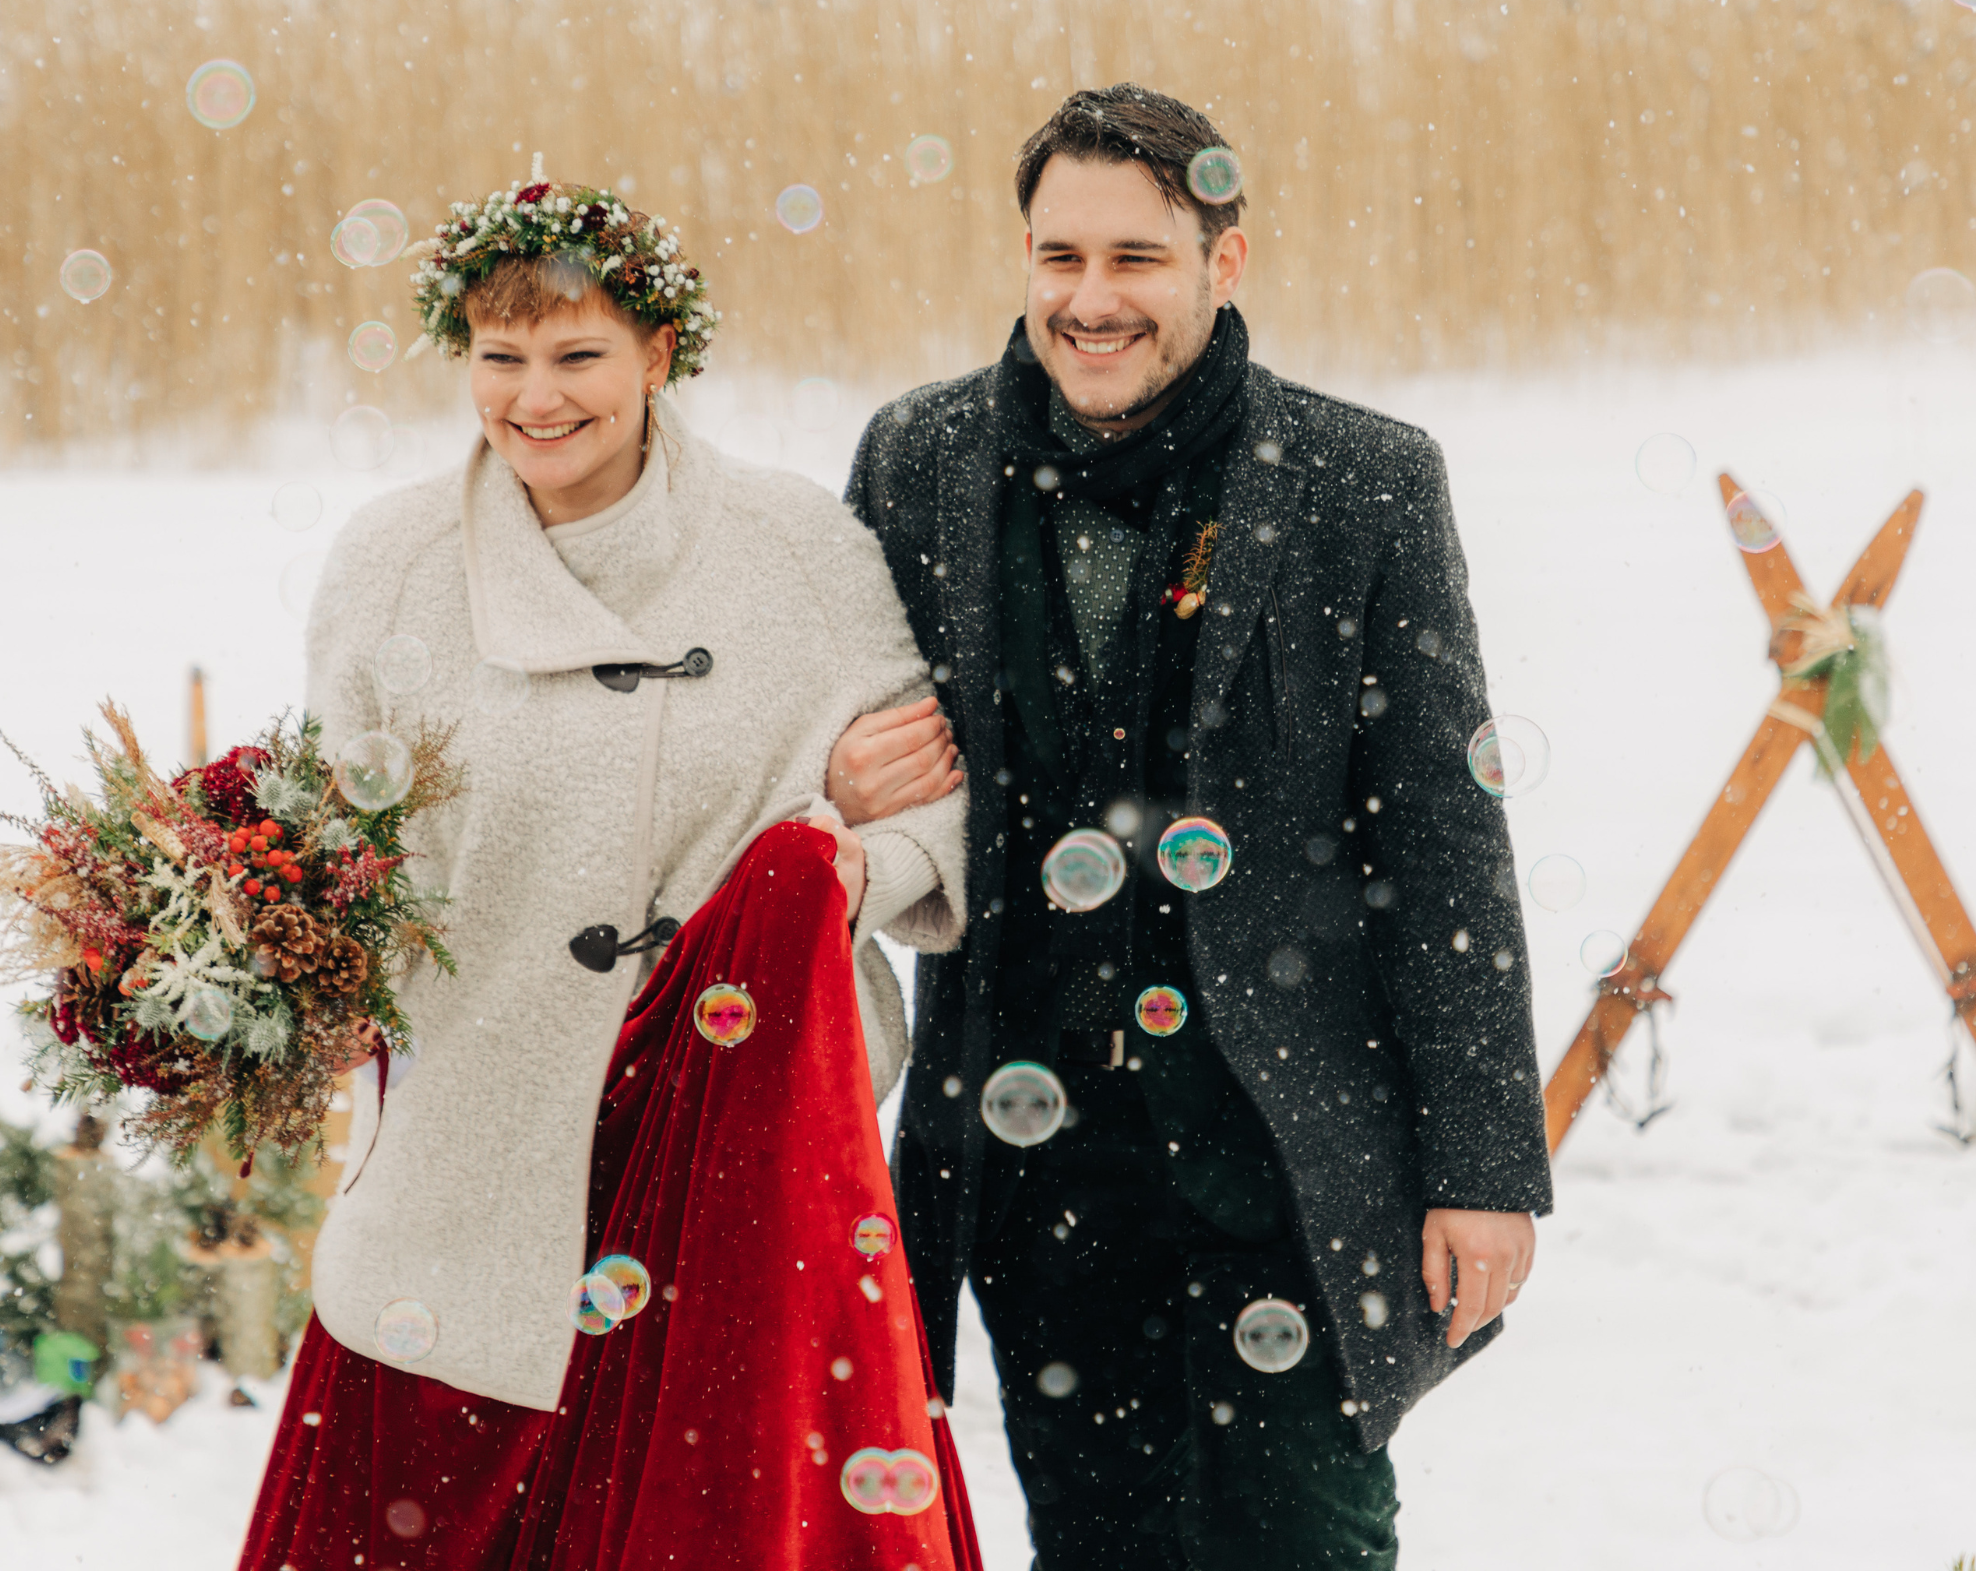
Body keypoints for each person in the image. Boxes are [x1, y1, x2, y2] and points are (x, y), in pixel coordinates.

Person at [832, 85, 1555, 1569]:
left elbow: (1442, 842)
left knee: (1307, 1548)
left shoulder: (1362, 482)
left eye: (1137, 259)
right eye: (1059, 257)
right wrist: (834, 778)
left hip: (1291, 1156)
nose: (1091, 301)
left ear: (1225, 261)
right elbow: (824, 737)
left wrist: (1482, 1164)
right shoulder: (917, 463)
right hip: (1035, 1174)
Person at [238, 161, 981, 1571]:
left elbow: (935, 818)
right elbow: (341, 856)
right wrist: (270, 970)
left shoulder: (800, 554)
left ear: (658, 353)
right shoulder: (391, 564)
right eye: (499, 357)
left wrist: (811, 879)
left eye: (579, 353)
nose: (537, 396)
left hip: (732, 1160)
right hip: (468, 1175)